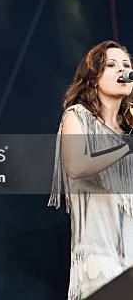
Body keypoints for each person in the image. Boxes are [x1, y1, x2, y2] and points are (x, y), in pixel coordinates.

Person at [49, 40, 133, 299]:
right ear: (94, 77)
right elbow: (75, 165)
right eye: (111, 65)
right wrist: (126, 146)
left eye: (127, 65)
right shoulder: (77, 116)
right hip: (100, 263)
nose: (123, 70)